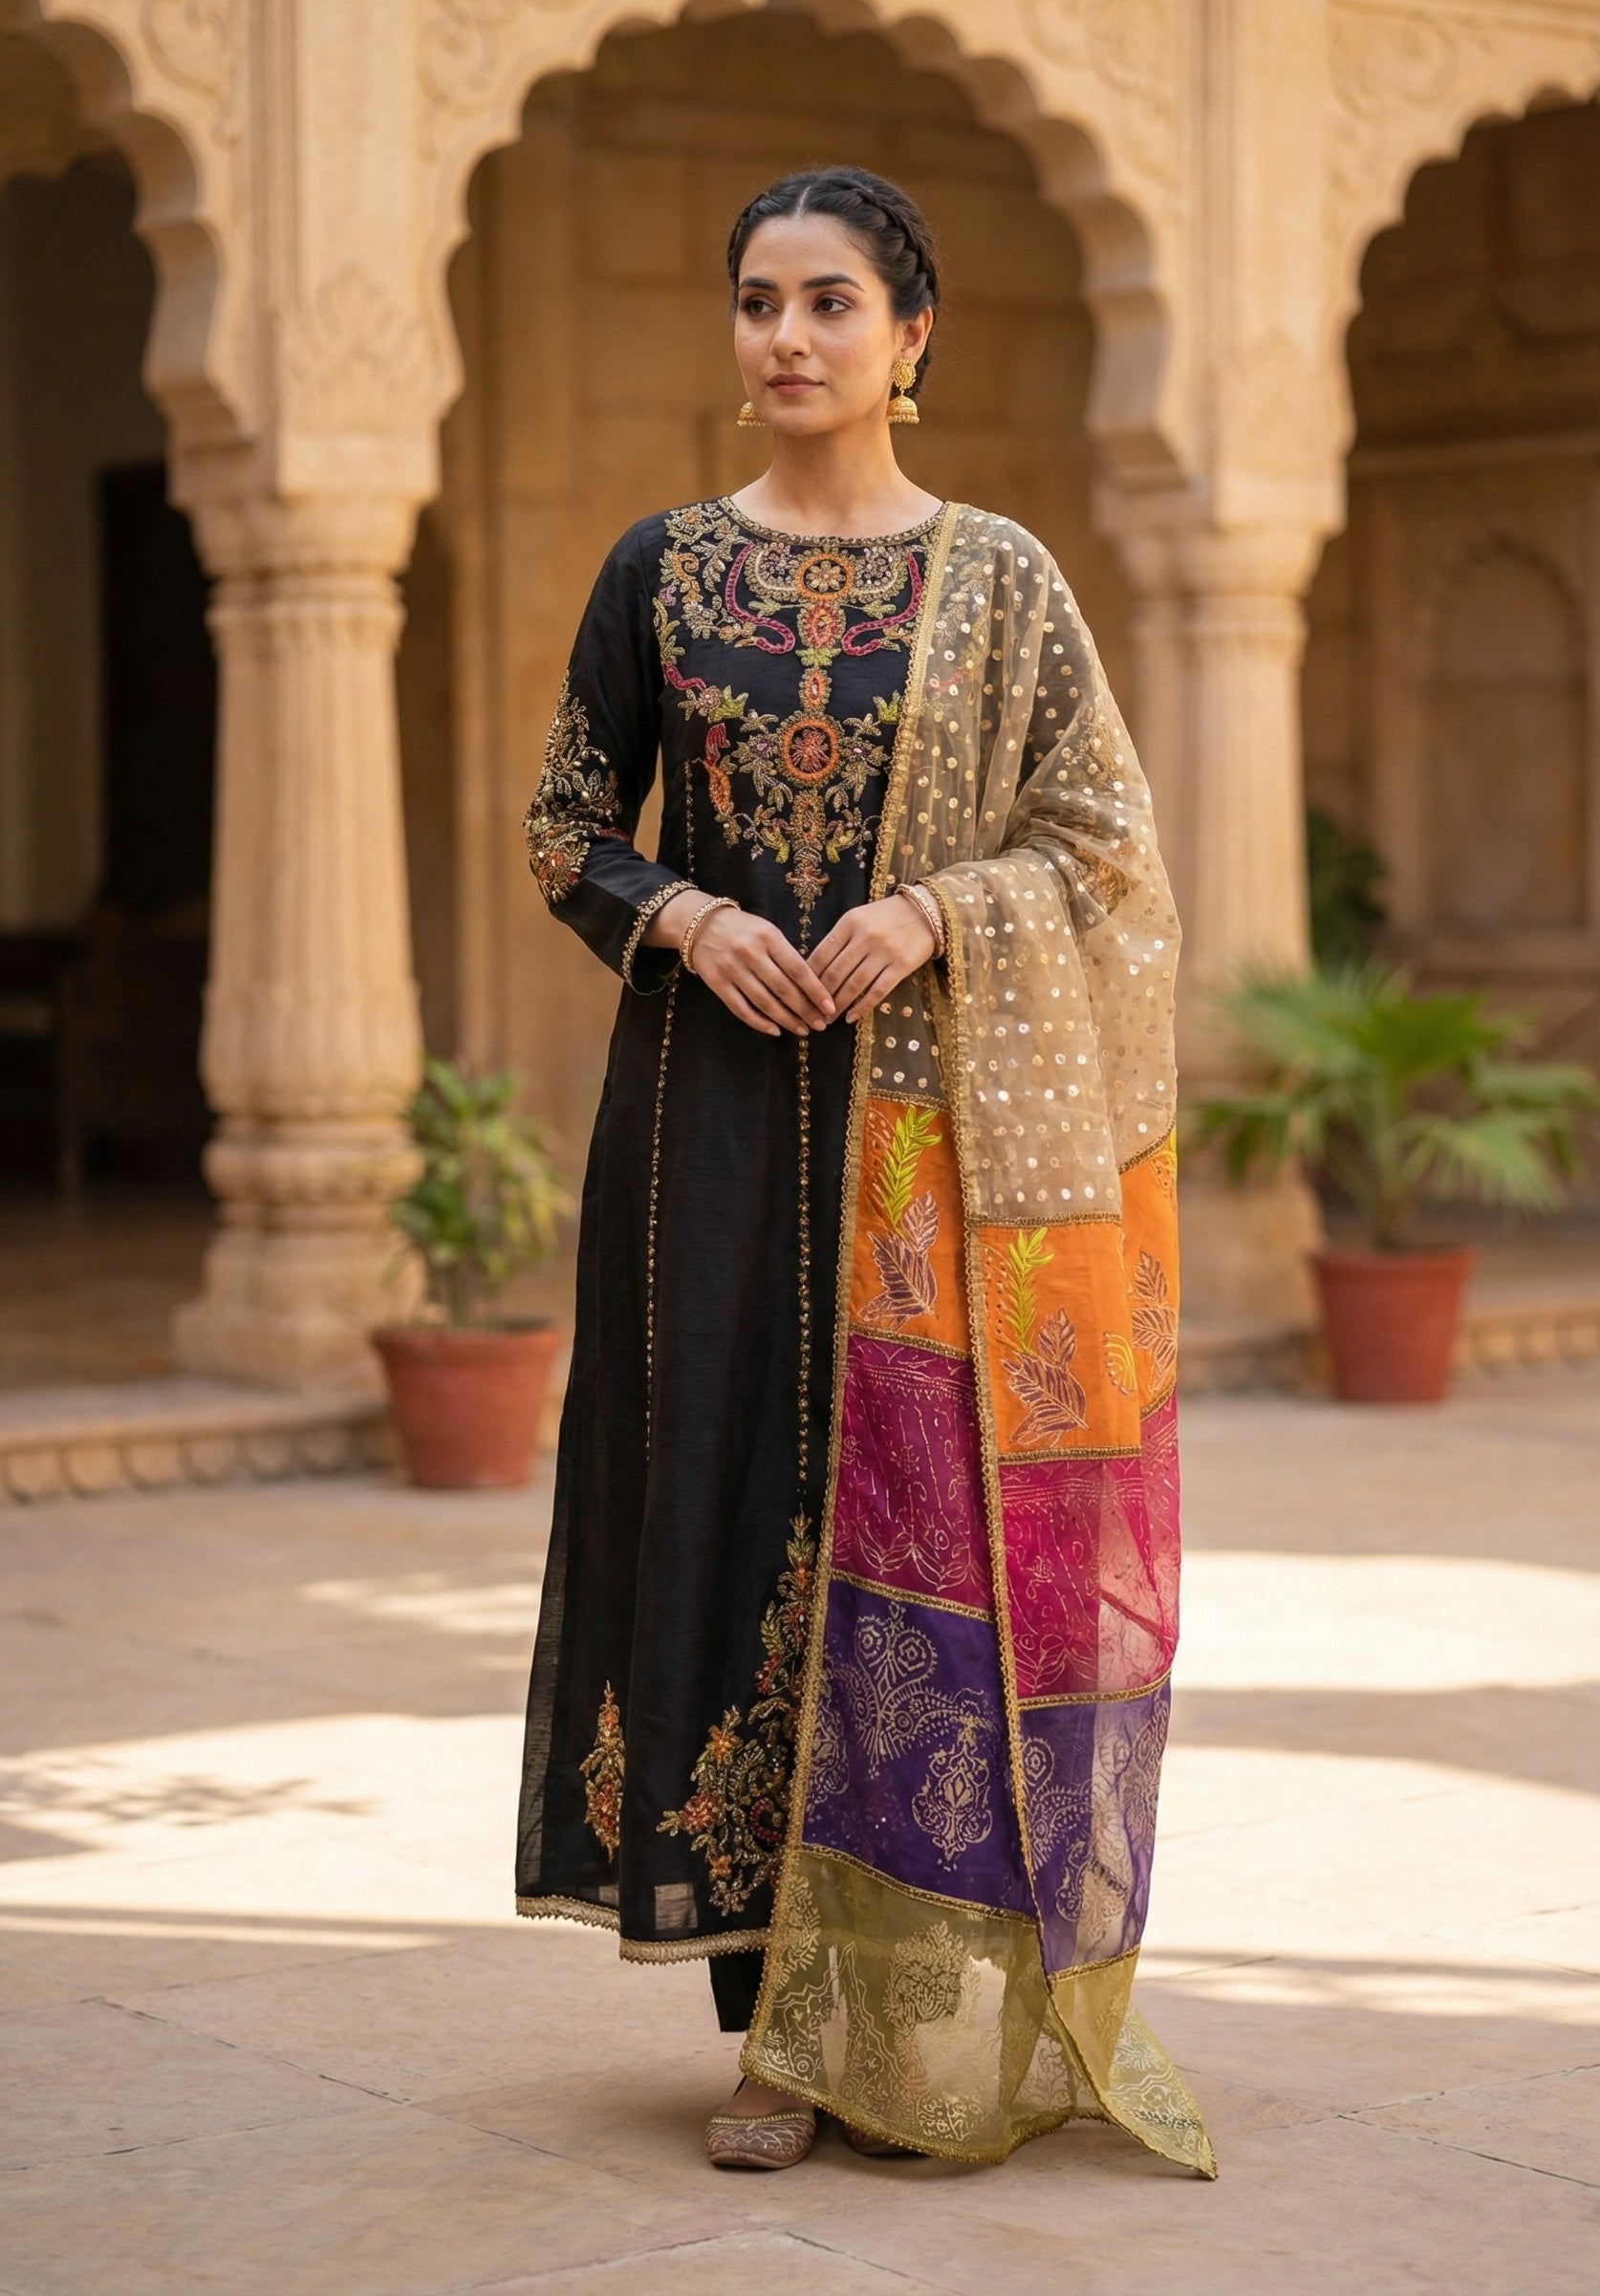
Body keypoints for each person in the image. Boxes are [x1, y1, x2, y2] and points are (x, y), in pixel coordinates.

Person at [516, 165, 1214, 2180]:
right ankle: (771, 2023)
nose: (786, 339)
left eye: (829, 302)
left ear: (914, 336)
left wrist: (936, 910)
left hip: (935, 1147)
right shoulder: (660, 572)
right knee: (732, 1512)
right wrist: (677, 917)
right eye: (755, 303)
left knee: (924, 1541)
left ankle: (906, 2004)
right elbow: (566, 818)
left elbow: (1096, 844)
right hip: (708, 1140)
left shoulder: (999, 579)